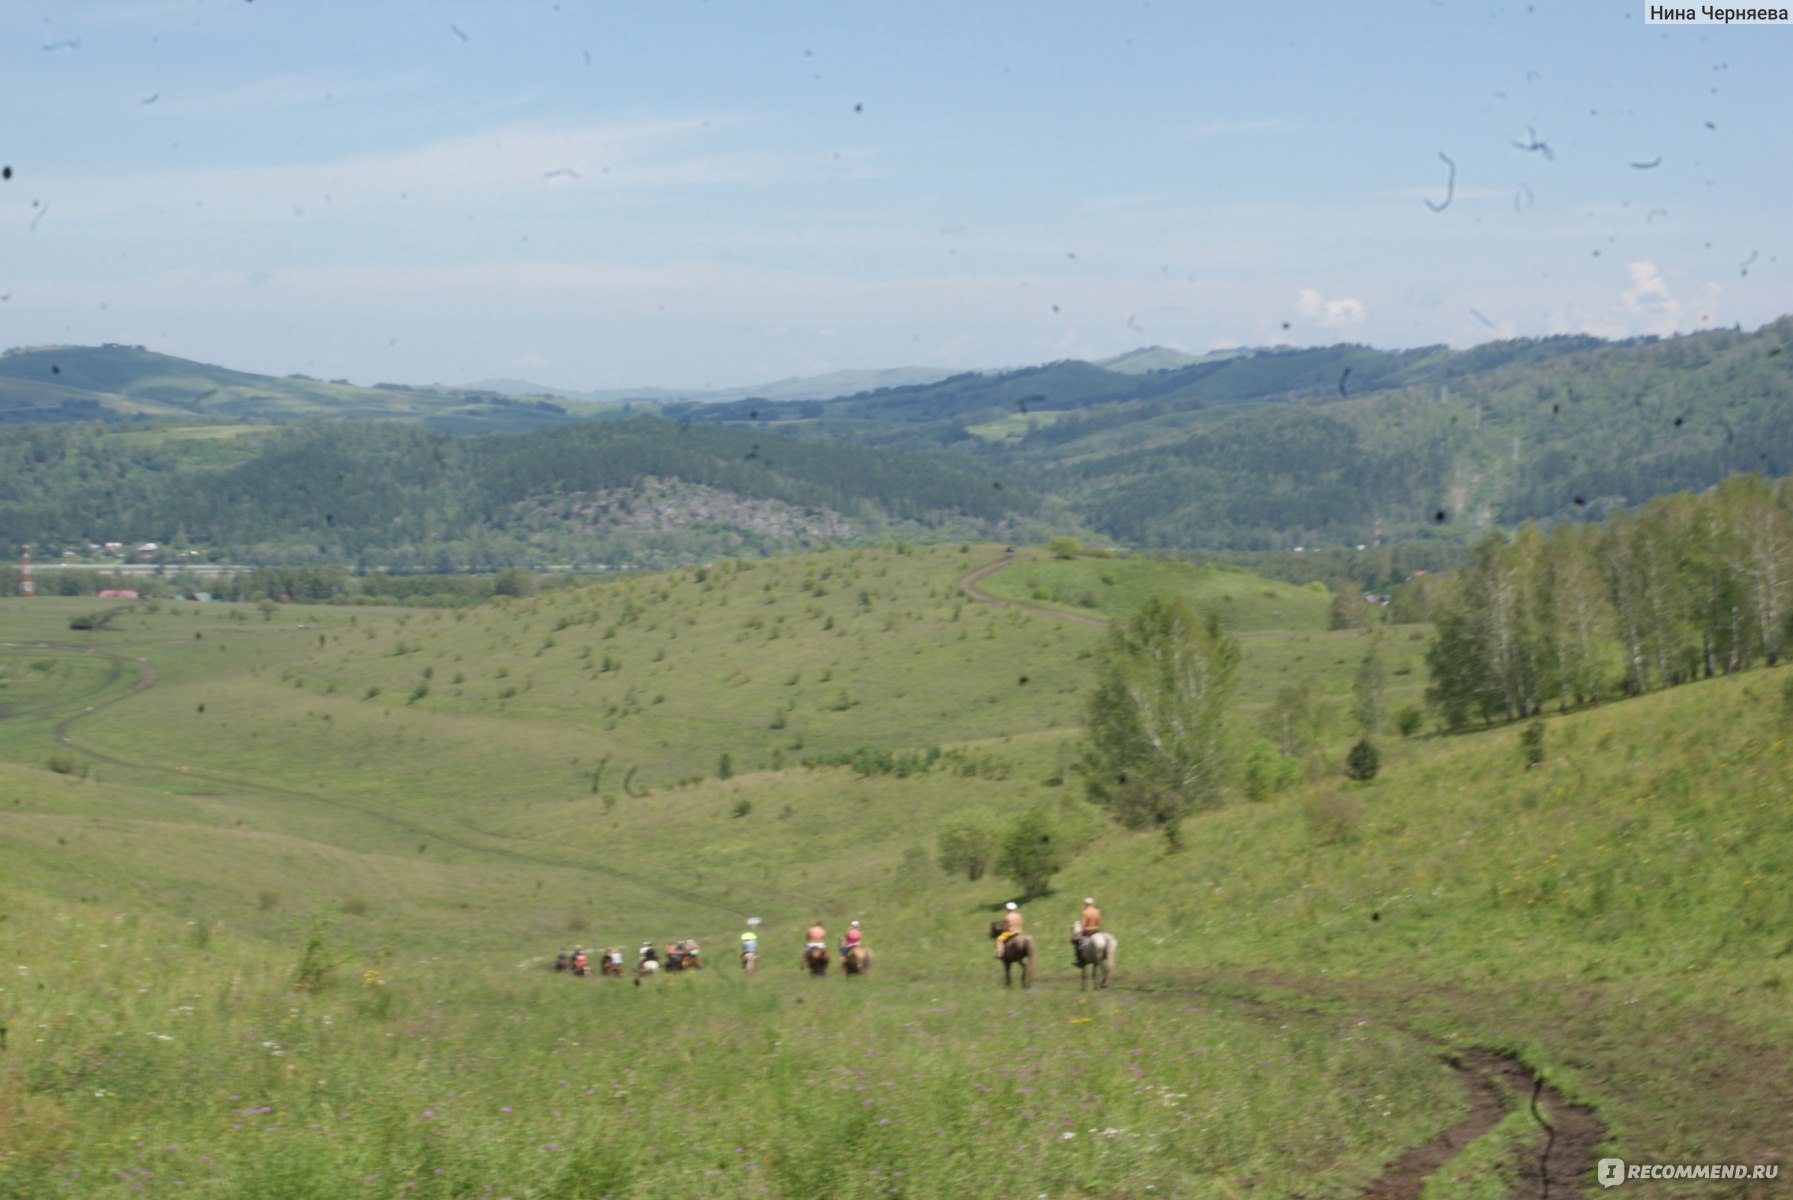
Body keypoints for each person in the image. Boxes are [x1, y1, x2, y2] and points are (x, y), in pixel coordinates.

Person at [1074, 897, 1102, 966]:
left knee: (1078, 943)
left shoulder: (1085, 912)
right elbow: (1098, 922)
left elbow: (1083, 925)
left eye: (1084, 904)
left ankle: (1080, 960)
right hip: (1096, 930)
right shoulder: (1097, 911)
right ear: (1092, 904)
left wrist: (1080, 934)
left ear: (1086, 904)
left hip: (1087, 931)